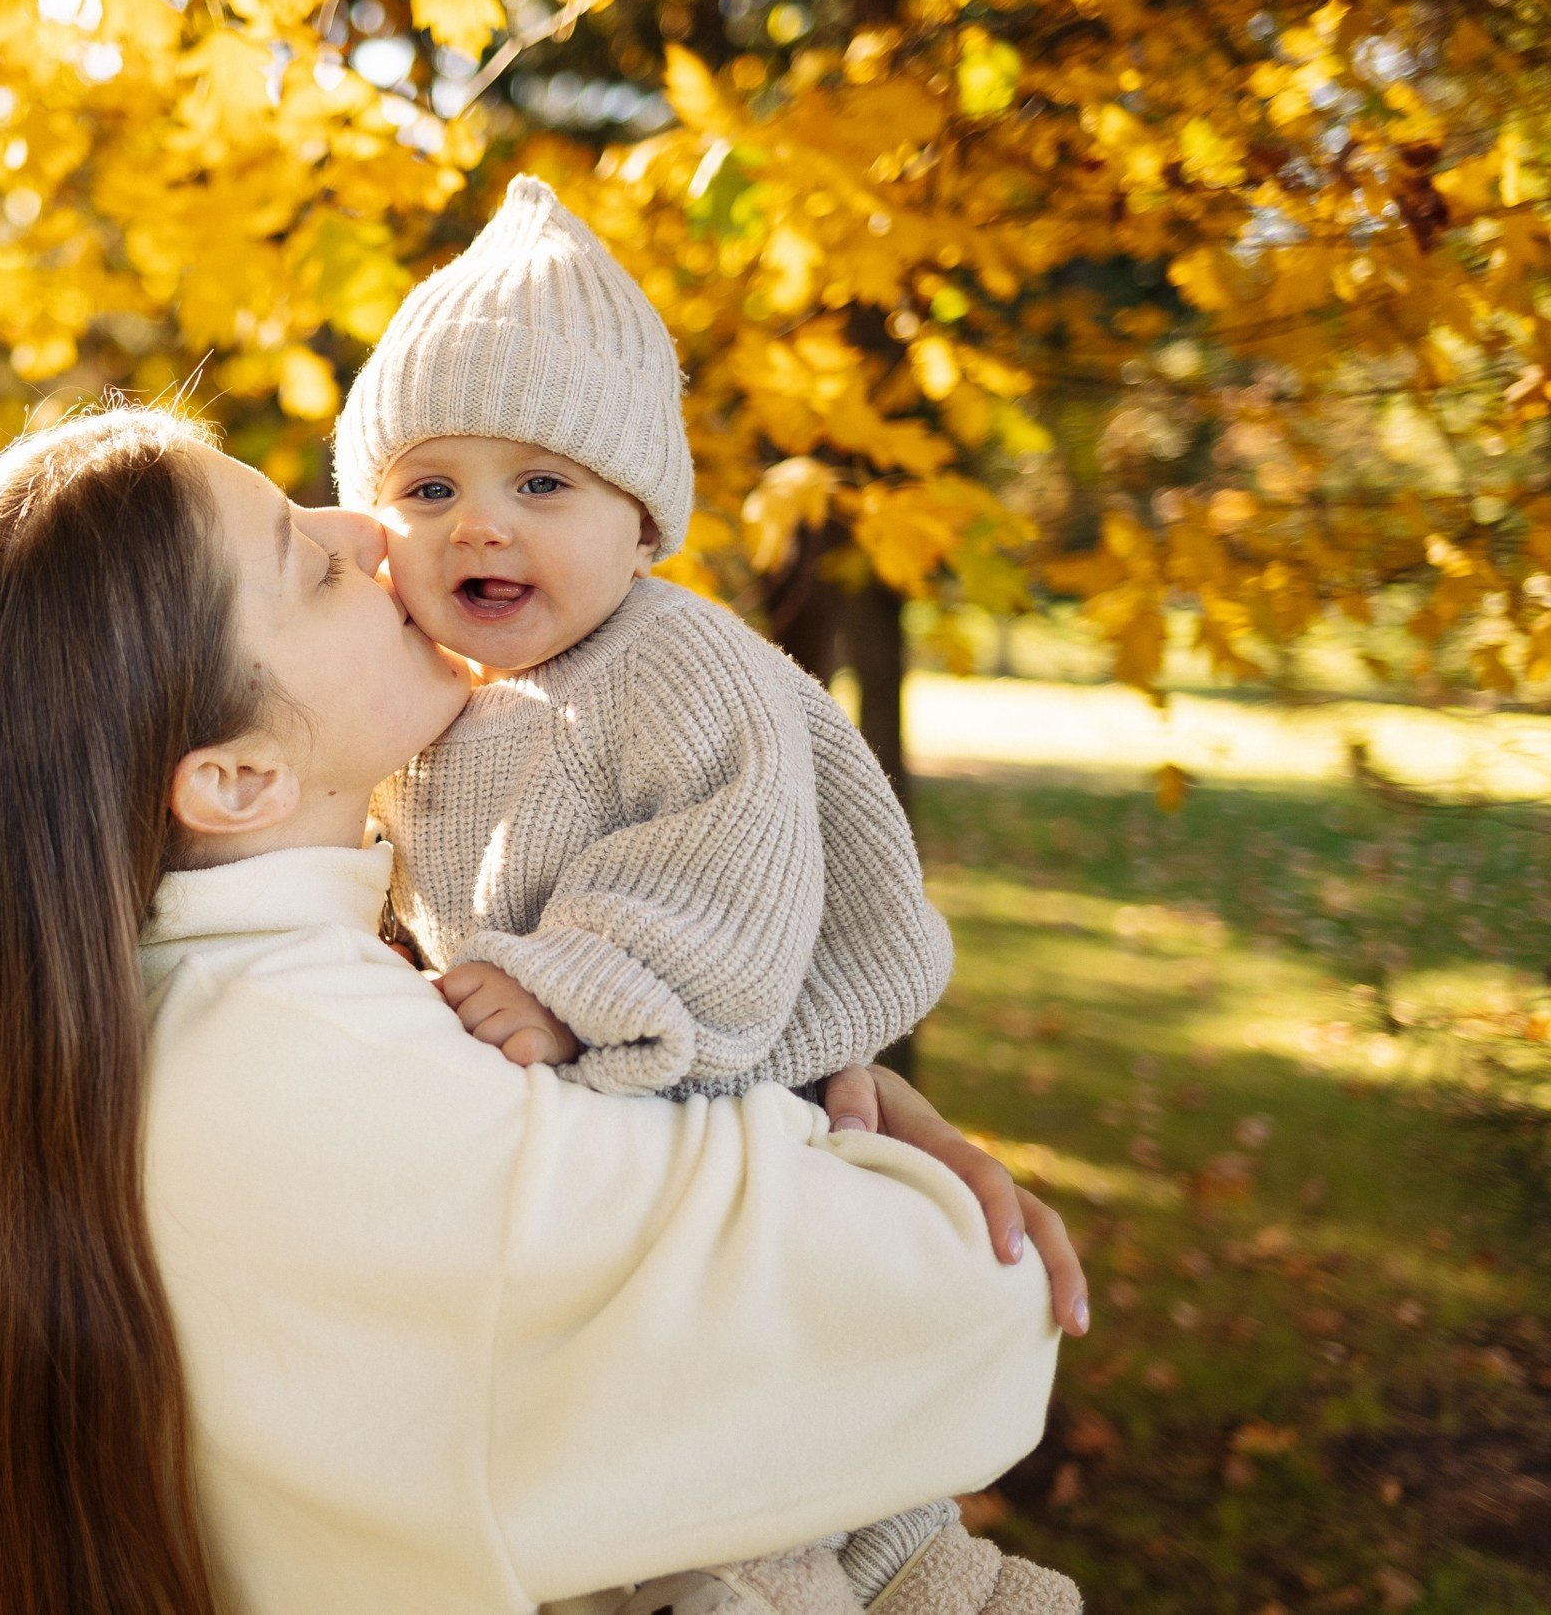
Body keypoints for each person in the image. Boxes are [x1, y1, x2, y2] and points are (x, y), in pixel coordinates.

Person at [0, 407, 1088, 1615]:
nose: (370, 533)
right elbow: (969, 1310)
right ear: (239, 778)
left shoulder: (188, 1029)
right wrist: (835, 1127)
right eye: (308, 566)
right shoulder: (344, 1089)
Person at [332, 177, 1080, 1610]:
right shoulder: (440, 702)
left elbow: (728, 866)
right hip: (601, 1159)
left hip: (698, 1099)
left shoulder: (676, 665)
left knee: (745, 1483)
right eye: (430, 487)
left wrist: (570, 982)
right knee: (788, 1486)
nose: (480, 524)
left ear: (643, 524)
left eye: (540, 483)